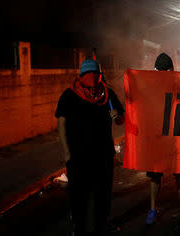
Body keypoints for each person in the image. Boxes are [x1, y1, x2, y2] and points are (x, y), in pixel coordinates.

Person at [56, 59, 125, 235]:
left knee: (103, 194)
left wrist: (117, 115)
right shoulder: (69, 96)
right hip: (78, 157)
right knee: (79, 196)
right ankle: (78, 229)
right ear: (80, 77)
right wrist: (66, 152)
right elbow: (61, 123)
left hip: (103, 155)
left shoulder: (107, 95)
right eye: (88, 76)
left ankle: (102, 225)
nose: (92, 80)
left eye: (95, 75)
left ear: (100, 76)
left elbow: (120, 118)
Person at [145, 53, 180, 224]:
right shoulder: (150, 86)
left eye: (167, 71)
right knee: (155, 176)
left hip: (174, 136)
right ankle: (152, 209)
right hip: (157, 137)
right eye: (162, 71)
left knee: (179, 172)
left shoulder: (177, 84)